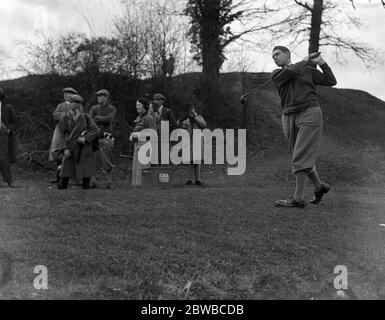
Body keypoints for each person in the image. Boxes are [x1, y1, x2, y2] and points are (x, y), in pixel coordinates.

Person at [271, 46, 337, 208]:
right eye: (273, 56)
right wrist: (305, 59)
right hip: (288, 116)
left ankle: (298, 198)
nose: (275, 58)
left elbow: (331, 81)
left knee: (301, 155)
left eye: (277, 54)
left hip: (309, 113)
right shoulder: (277, 74)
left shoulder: (307, 70)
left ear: (287, 54)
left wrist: (322, 63)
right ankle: (319, 187)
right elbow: (291, 72)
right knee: (299, 156)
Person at [55, 94, 99, 190]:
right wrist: (64, 149)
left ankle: (86, 185)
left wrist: (85, 138)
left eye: (75, 103)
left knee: (85, 166)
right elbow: (61, 135)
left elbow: (95, 130)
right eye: (71, 102)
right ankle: (63, 184)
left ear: (79, 104)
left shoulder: (85, 117)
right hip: (71, 145)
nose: (72, 104)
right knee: (67, 166)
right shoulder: (65, 117)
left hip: (84, 146)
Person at [49, 87, 78, 183]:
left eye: (69, 93)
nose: (66, 94)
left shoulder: (77, 105)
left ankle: (73, 177)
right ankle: (59, 176)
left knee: (72, 153)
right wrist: (66, 116)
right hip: (59, 132)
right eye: (65, 93)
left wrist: (66, 116)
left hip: (72, 132)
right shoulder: (60, 105)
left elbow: (78, 117)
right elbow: (55, 116)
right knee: (58, 153)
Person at [89, 89, 117, 189]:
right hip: (95, 136)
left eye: (101, 96)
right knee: (94, 159)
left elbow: (109, 119)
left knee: (108, 158)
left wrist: (98, 118)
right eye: (98, 96)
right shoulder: (94, 108)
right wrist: (99, 119)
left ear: (106, 97)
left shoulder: (112, 108)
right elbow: (90, 121)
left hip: (107, 136)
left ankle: (109, 181)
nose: (99, 98)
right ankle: (93, 181)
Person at [178, 103, 207, 186]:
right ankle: (189, 179)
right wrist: (182, 124)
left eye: (193, 109)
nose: (192, 111)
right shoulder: (185, 119)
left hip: (197, 141)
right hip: (187, 140)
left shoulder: (199, 117)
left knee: (197, 160)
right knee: (189, 160)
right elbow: (179, 123)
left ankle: (198, 179)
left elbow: (204, 124)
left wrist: (195, 117)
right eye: (190, 110)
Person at [130, 97, 157, 186]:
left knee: (142, 167)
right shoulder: (139, 117)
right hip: (137, 144)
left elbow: (153, 133)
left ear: (144, 106)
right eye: (136, 105)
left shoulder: (148, 118)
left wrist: (138, 135)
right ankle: (135, 186)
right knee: (136, 167)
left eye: (139, 105)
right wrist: (133, 135)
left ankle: (143, 186)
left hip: (145, 145)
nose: (137, 107)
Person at [0, 87, 17, 188]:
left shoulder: (8, 108)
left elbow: (14, 121)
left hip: (3, 135)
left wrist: (8, 129)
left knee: (3, 158)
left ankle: (8, 180)